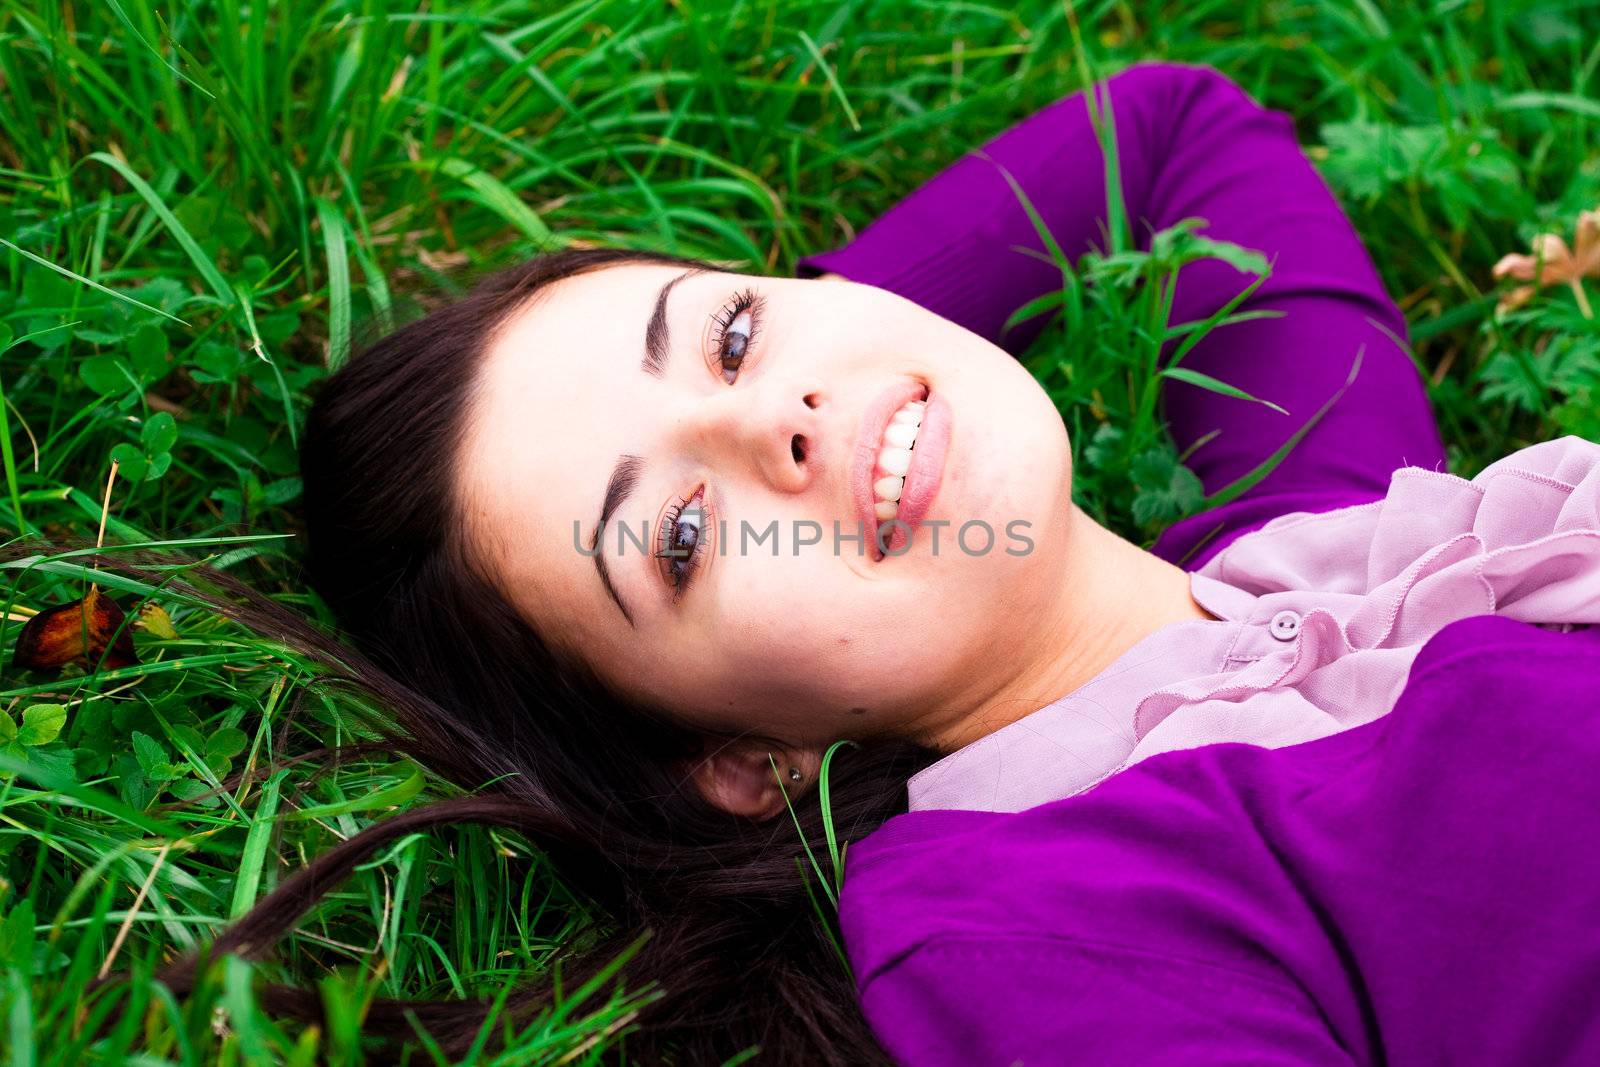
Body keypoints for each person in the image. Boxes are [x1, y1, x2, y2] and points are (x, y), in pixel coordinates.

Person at [174, 61, 1600, 1064]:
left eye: (727, 332)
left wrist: (853, 380)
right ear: (738, 761)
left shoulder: (1331, 517)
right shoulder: (1023, 923)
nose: (770, 420)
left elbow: (1168, 133)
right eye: (678, 535)